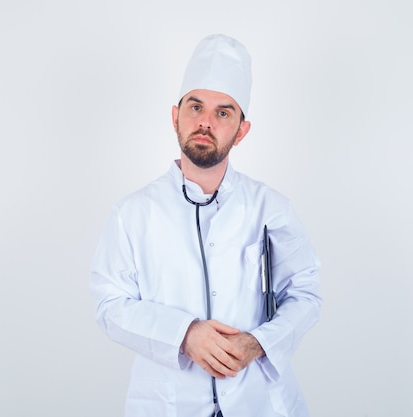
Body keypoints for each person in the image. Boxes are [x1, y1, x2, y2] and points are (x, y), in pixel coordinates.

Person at [90, 34, 322, 417]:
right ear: (174, 115)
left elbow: (306, 294)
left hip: (261, 402)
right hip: (167, 404)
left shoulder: (272, 209)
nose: (205, 122)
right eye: (195, 106)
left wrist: (259, 342)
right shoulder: (132, 214)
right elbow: (110, 306)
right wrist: (183, 334)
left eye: (223, 112)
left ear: (241, 130)